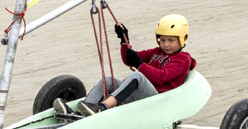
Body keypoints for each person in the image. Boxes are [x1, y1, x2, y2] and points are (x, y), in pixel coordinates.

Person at [65, 14, 195, 115]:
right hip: (141, 95)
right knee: (109, 80)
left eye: (171, 40)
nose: (166, 44)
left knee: (138, 76)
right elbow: (130, 58)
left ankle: (102, 107)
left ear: (183, 38)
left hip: (159, 100)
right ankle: (83, 111)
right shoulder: (157, 52)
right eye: (163, 40)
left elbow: (161, 77)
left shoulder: (183, 59)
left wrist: (139, 64)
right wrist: (124, 40)